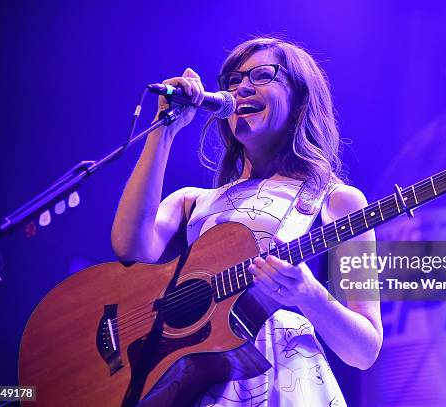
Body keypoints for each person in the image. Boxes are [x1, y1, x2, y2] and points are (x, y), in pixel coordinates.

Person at [111, 37, 383, 406]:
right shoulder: (192, 202)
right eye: (233, 80)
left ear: (301, 97)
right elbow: (129, 245)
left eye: (261, 75)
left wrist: (309, 294)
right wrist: (165, 128)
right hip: (189, 383)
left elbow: (364, 350)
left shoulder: (338, 201)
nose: (241, 88)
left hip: (283, 383)